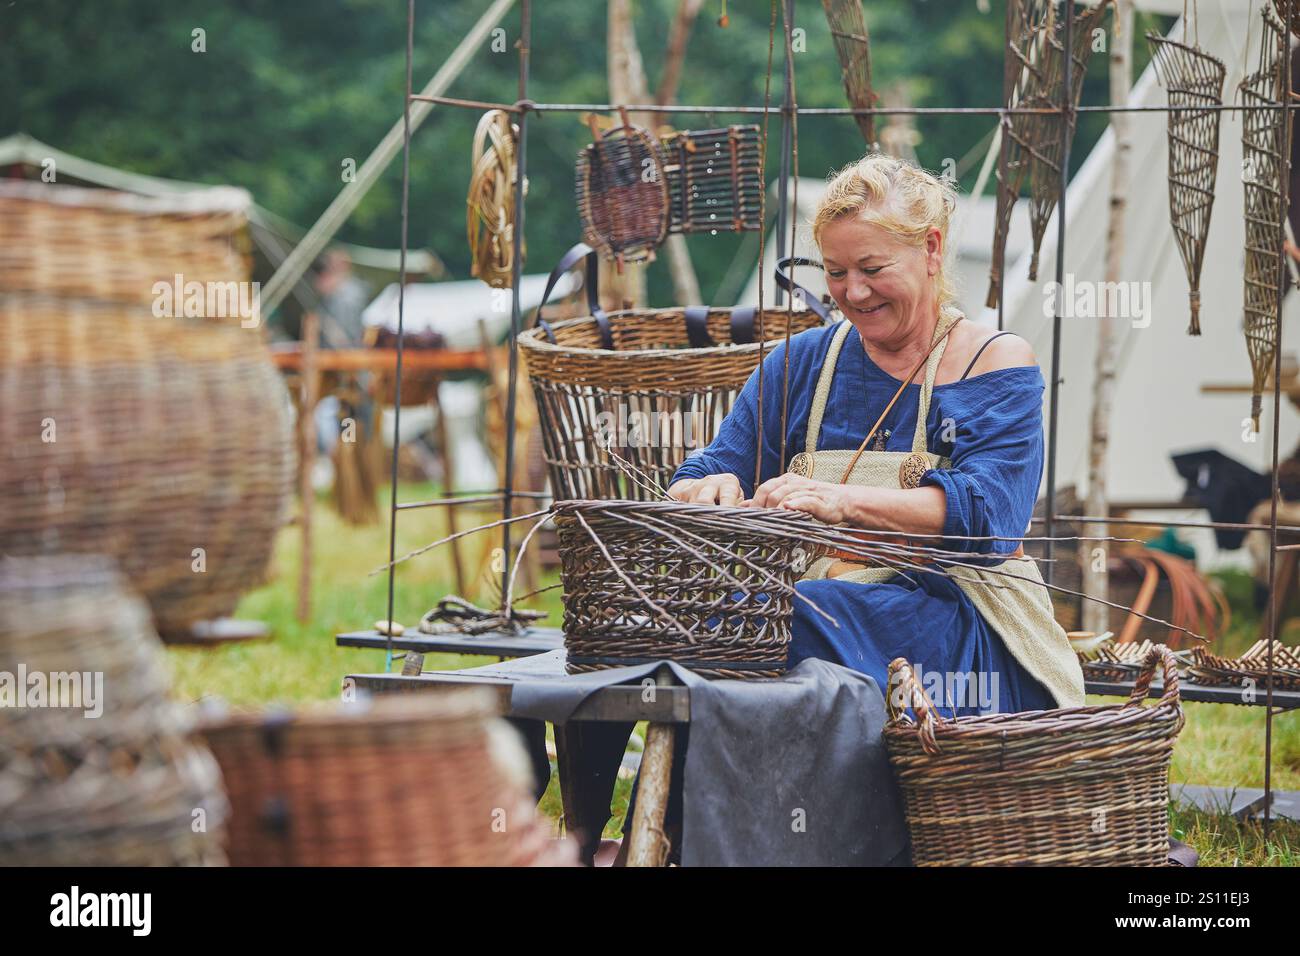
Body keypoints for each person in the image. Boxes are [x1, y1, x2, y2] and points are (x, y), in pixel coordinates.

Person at [667, 152, 1084, 716]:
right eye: (836, 273)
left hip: (959, 634)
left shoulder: (992, 363)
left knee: (793, 618)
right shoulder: (799, 364)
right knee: (708, 620)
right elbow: (704, 470)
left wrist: (841, 502)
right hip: (824, 610)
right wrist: (703, 487)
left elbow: (990, 520)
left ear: (931, 249)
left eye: (872, 268)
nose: (854, 292)